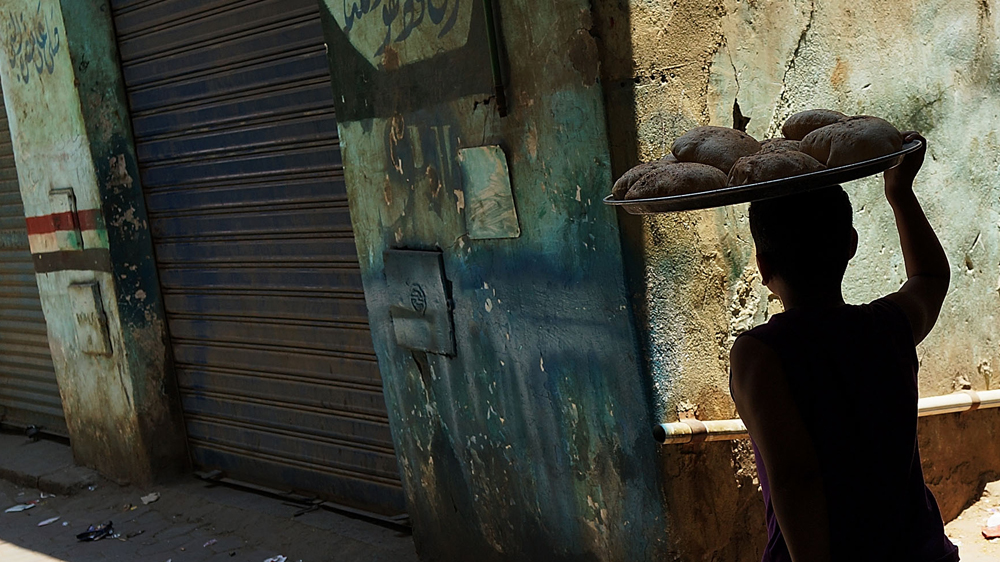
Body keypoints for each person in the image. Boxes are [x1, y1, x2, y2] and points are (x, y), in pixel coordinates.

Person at [729, 132, 959, 562]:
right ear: (851, 246)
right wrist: (900, 193)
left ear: (761, 266)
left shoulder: (760, 354)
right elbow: (929, 279)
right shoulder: (888, 327)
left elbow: (795, 478)